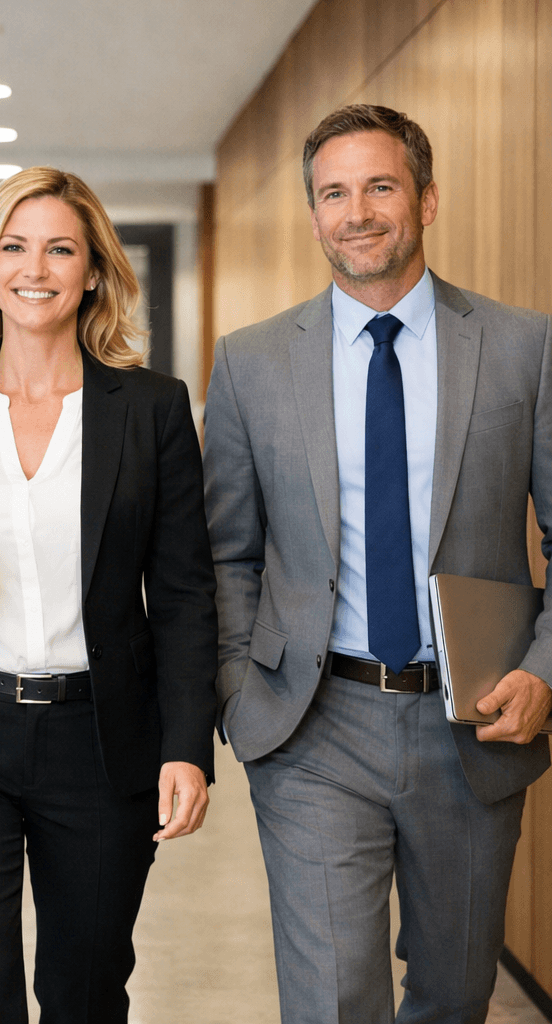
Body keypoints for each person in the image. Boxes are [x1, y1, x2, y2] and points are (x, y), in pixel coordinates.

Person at [203, 103, 552, 1024]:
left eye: (379, 187)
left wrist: (544, 672)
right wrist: (240, 690)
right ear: (313, 213)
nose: (355, 212)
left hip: (472, 723)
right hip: (313, 725)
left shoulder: (524, 347)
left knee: (454, 994)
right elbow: (227, 551)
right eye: (333, 193)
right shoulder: (251, 363)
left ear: (426, 200)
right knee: (331, 1001)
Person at [0, 166, 218, 1023]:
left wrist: (187, 746)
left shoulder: (152, 408)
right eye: (15, 247)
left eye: (61, 249)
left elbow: (184, 594)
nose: (35, 268)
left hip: (99, 738)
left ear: (93, 271)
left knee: (85, 995)